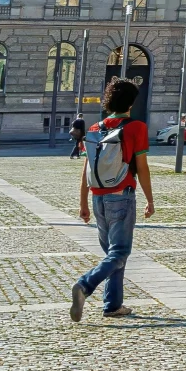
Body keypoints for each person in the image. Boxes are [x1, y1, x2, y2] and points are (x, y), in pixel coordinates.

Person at [72, 78, 153, 321]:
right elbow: (142, 167)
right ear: (131, 102)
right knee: (119, 252)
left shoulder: (95, 129)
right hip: (121, 195)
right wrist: (150, 199)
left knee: (113, 253)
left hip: (98, 197)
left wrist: (83, 203)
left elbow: (86, 168)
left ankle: (113, 305)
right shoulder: (136, 128)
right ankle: (85, 285)